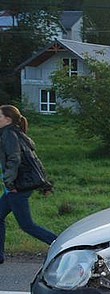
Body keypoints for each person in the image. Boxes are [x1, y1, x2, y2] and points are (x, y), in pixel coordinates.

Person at [0, 105, 57, 264]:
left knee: (27, 225)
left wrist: (9, 183)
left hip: (17, 187)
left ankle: (61, 245)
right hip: (18, 186)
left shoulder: (9, 135)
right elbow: (34, 161)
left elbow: (14, 159)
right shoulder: (15, 133)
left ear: (8, 119)